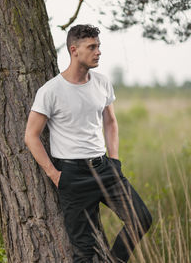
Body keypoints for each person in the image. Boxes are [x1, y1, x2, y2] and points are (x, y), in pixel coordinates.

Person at [25, 24, 152, 263]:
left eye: (99, 46)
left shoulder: (102, 82)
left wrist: (114, 160)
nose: (98, 52)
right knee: (84, 252)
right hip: (72, 176)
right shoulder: (50, 91)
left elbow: (111, 122)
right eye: (92, 47)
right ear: (74, 50)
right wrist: (54, 175)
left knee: (141, 218)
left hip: (105, 168)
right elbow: (31, 136)